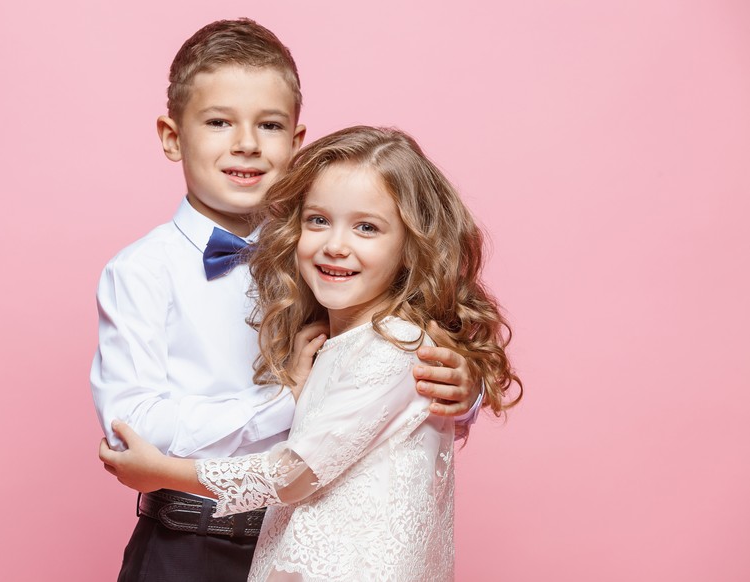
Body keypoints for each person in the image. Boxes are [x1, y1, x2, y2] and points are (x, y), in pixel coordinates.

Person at [90, 19, 482, 582]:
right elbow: (135, 426)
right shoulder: (141, 272)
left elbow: (381, 370)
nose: (246, 143)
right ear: (173, 136)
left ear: (297, 145)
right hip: (190, 538)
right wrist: (281, 403)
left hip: (308, 540)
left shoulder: (327, 256)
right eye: (219, 121)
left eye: (269, 125)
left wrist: (458, 390)